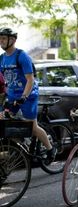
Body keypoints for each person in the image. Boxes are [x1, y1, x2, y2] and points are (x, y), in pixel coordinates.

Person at [0, 27, 55, 161]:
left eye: (3, 38)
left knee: (33, 127)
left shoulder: (21, 56)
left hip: (28, 95)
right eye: (0, 39)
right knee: (2, 122)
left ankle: (50, 149)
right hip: (12, 94)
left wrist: (23, 98)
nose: (0, 41)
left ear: (12, 40)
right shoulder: (1, 58)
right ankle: (23, 142)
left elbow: (30, 80)